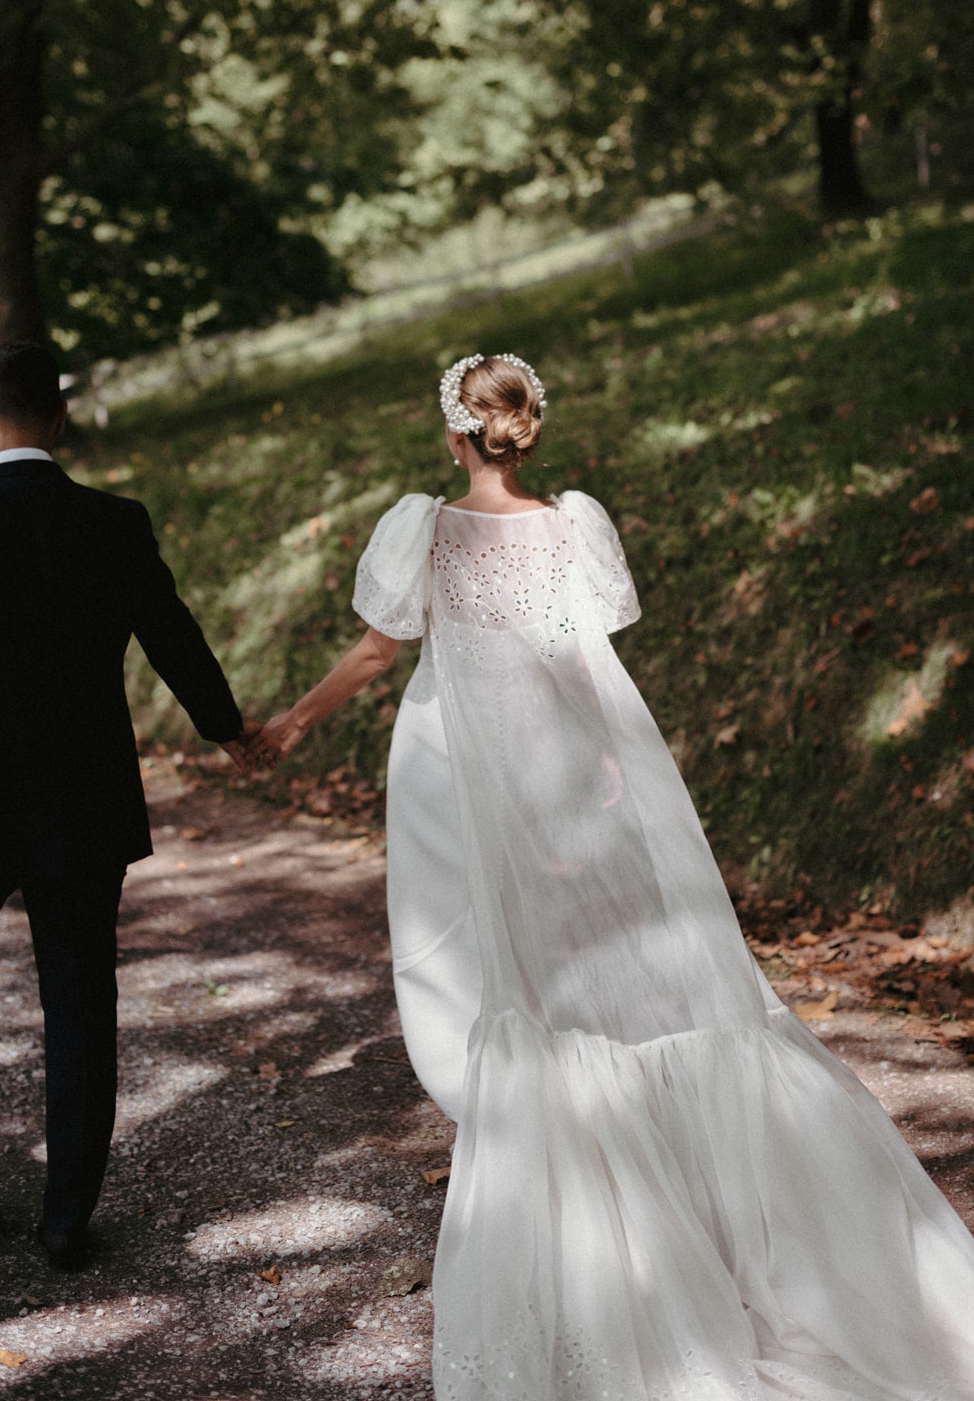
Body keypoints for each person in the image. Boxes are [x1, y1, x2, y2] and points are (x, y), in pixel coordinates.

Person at [256, 351, 974, 1399]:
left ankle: (588, 1199)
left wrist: (287, 724)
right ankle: (695, 1200)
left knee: (512, 979)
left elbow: (376, 655)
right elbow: (590, 663)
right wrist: (609, 772)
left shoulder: (428, 528)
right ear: (525, 427)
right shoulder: (570, 525)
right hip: (564, 757)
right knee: (610, 981)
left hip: (464, 771)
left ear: (454, 432)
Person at [0, 342, 257, 1270]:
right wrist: (230, 730)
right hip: (82, 808)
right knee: (78, 999)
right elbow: (172, 635)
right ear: (60, 419)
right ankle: (66, 1219)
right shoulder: (112, 521)